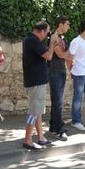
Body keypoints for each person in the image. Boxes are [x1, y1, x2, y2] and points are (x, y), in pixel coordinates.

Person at [22, 20, 54, 150]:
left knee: (37, 111)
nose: (47, 35)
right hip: (36, 81)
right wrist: (52, 43)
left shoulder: (30, 40)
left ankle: (41, 137)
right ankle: (28, 140)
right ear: (41, 31)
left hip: (36, 81)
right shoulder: (33, 41)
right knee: (33, 112)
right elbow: (49, 56)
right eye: (47, 33)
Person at [47, 15, 71, 140]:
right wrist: (70, 53)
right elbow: (62, 54)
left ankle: (52, 127)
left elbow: (66, 56)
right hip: (54, 72)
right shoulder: (54, 36)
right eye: (67, 24)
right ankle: (59, 129)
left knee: (57, 102)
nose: (69, 26)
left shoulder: (62, 37)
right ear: (60, 24)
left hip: (61, 71)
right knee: (58, 102)